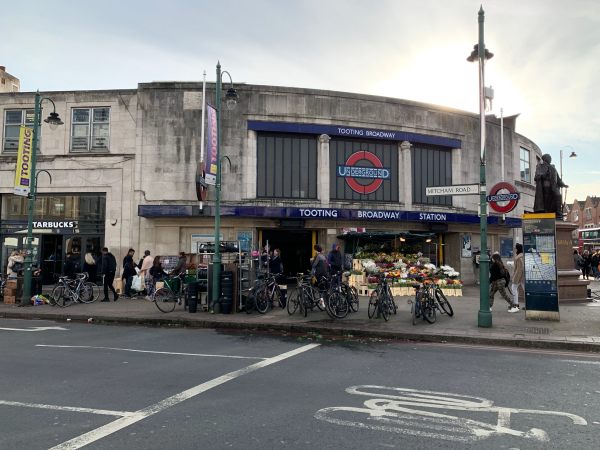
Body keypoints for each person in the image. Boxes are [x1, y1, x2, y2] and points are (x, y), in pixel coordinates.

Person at [533, 154, 568, 218]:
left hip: (554, 186)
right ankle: (547, 212)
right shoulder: (540, 166)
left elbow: (558, 178)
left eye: (550, 157)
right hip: (545, 185)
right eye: (549, 157)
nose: (551, 159)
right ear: (545, 158)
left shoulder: (553, 167)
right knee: (547, 199)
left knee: (558, 195)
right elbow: (536, 177)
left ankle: (558, 212)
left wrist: (563, 184)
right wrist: (544, 174)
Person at [311, 245, 328, 309]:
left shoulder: (317, 256)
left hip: (319, 274)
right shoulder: (323, 256)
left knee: (320, 290)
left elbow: (314, 265)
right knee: (325, 289)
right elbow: (326, 264)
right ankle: (327, 302)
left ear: (316, 250)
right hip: (325, 274)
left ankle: (323, 304)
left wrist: (311, 260)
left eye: (314, 249)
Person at [510, 243, 524, 313]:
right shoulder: (521, 256)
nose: (514, 249)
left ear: (517, 249)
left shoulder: (519, 258)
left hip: (519, 276)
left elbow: (520, 269)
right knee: (525, 290)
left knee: (514, 288)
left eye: (515, 248)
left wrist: (515, 278)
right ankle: (529, 305)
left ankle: (516, 305)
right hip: (523, 276)